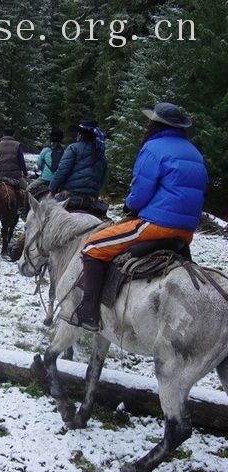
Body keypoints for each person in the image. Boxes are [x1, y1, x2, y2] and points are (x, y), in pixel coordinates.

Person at [73, 102, 209, 332]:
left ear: (154, 125)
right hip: (185, 232)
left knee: (92, 247)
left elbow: (140, 194)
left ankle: (88, 313)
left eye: (149, 122)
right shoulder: (194, 152)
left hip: (156, 225)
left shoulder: (153, 148)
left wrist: (129, 204)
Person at [48, 119, 107, 200]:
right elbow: (102, 180)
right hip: (92, 197)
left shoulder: (73, 148)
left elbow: (62, 171)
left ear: (80, 134)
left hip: (70, 192)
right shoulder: (101, 154)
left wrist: (52, 190)